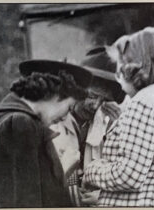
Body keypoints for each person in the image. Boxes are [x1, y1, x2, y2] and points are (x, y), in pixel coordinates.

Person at [82, 27, 154, 207]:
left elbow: (129, 176)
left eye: (119, 67)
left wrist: (92, 171)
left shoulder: (143, 103)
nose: (118, 78)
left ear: (134, 67)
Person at [0, 60, 92, 207]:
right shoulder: (19, 124)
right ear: (56, 95)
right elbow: (23, 201)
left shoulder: (12, 119)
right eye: (69, 107)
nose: (65, 118)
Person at [50, 49, 125, 206]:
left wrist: (122, 126)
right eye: (91, 96)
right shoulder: (53, 120)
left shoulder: (105, 124)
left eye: (103, 100)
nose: (95, 105)